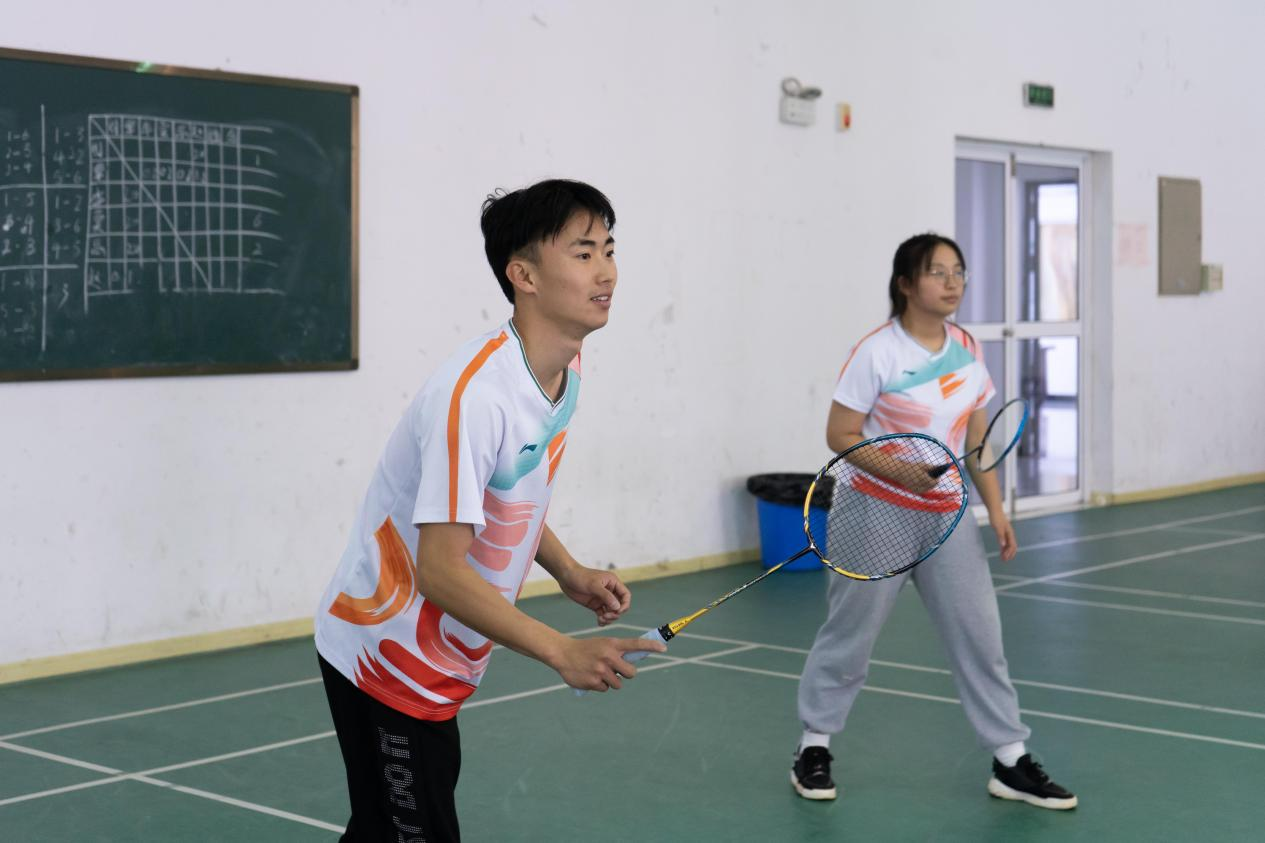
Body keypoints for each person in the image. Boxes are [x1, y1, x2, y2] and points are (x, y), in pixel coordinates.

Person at [314, 179, 665, 842]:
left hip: (439, 659)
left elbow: (508, 492)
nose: (607, 272)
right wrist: (560, 649)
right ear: (523, 275)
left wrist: (567, 570)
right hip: (385, 655)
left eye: (609, 249)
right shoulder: (477, 397)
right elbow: (440, 572)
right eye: (583, 253)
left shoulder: (564, 367)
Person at [790, 233, 1077, 810]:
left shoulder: (967, 346)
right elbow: (840, 434)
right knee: (850, 637)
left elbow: (977, 441)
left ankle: (1010, 759)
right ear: (905, 284)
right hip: (873, 513)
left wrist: (996, 510)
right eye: (937, 272)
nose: (952, 283)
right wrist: (901, 473)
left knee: (981, 637)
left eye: (958, 272)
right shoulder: (878, 352)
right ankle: (814, 746)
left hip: (947, 518)